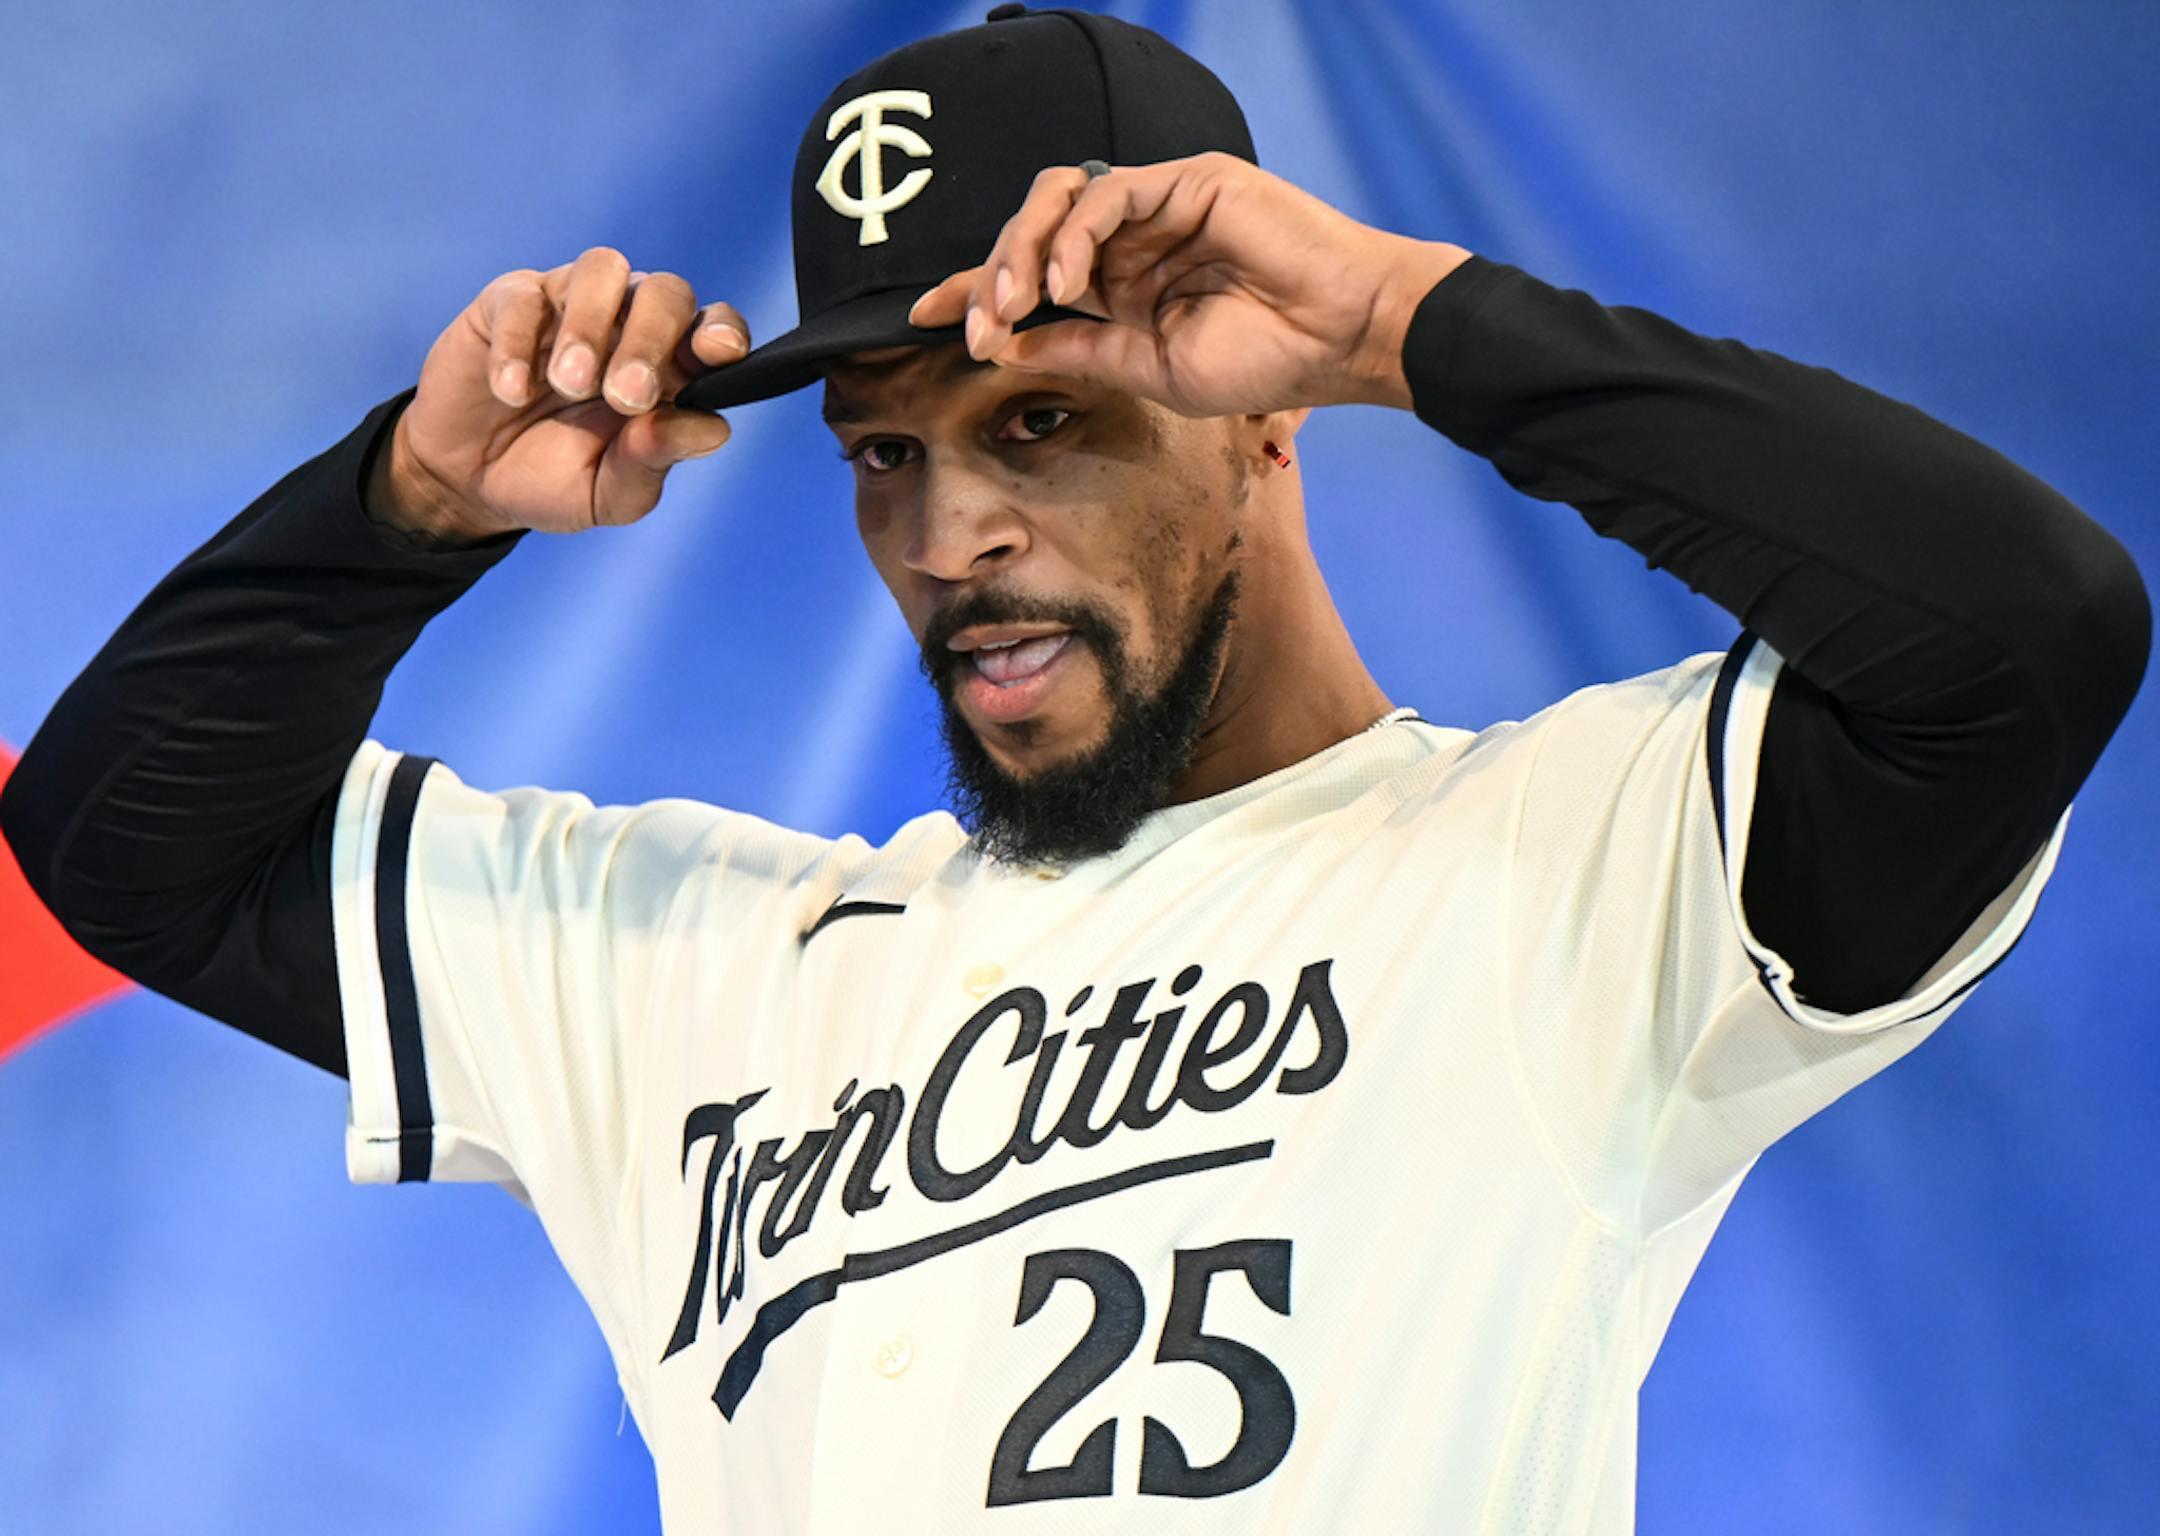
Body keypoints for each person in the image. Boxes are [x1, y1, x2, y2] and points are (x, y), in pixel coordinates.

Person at [0, 5, 2147, 1531]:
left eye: (1040, 421)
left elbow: (2022, 635)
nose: (950, 535)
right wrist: (407, 496)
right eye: (885, 452)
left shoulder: (1571, 866)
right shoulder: (699, 968)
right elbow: (126, 844)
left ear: (1261, 406)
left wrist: (1411, 322)